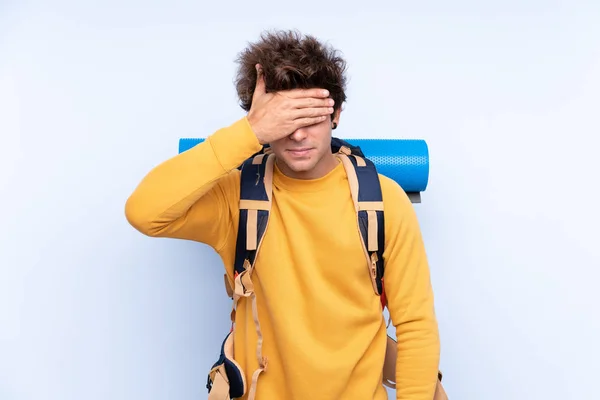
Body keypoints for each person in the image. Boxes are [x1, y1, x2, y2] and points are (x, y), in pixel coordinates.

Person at [125, 29, 440, 400]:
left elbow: (416, 325)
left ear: (336, 114)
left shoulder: (383, 200)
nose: (298, 135)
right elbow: (144, 212)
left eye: (310, 118)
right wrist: (250, 131)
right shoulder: (237, 197)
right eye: (283, 121)